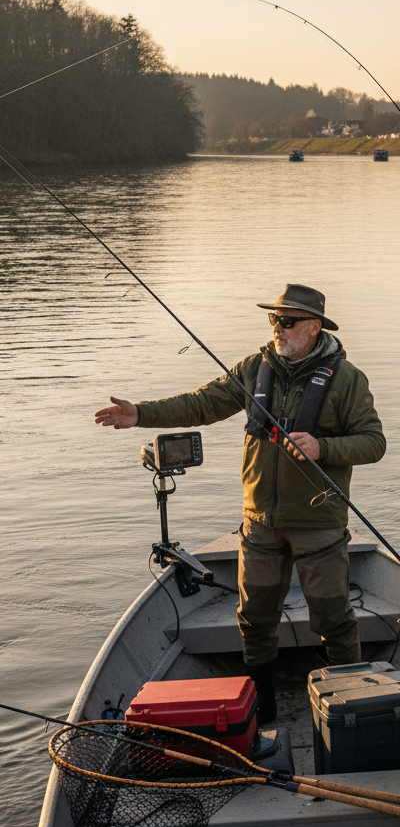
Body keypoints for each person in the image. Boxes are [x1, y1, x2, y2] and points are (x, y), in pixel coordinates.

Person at [95, 284, 386, 723]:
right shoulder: (254, 368)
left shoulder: (348, 380)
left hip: (318, 521)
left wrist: (324, 448)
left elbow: (374, 442)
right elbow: (201, 403)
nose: (277, 328)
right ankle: (263, 709)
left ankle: (351, 714)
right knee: (253, 618)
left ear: (313, 327)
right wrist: (141, 414)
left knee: (334, 619)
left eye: (287, 321)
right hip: (259, 521)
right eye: (274, 319)